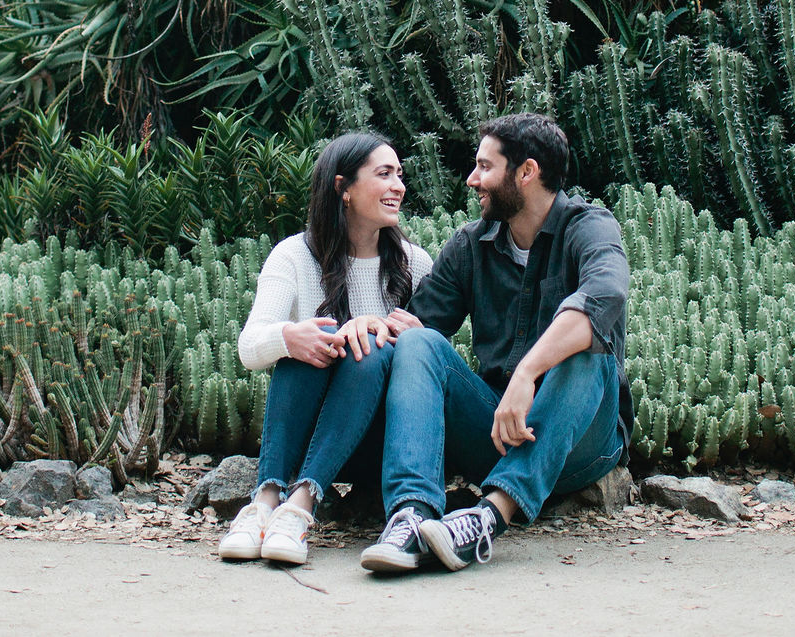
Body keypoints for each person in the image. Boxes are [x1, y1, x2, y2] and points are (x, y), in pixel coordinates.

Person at [359, 112, 632, 574]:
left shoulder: (588, 227)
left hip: (581, 444)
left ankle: (489, 516)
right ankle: (411, 515)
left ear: (526, 173)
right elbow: (419, 327)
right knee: (419, 344)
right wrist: (372, 327)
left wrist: (527, 373)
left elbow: (605, 296)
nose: (472, 180)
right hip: (499, 434)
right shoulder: (471, 244)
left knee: (588, 349)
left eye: (485, 167)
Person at [219, 131, 434, 566]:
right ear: (344, 188)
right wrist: (289, 337)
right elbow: (248, 346)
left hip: (382, 440)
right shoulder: (294, 256)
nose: (399, 186)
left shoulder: (415, 263)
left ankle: (299, 507)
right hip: (315, 438)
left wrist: (413, 333)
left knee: (368, 343)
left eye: (400, 174)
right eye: (384, 174)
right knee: (308, 342)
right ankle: (265, 503)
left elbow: (431, 366)